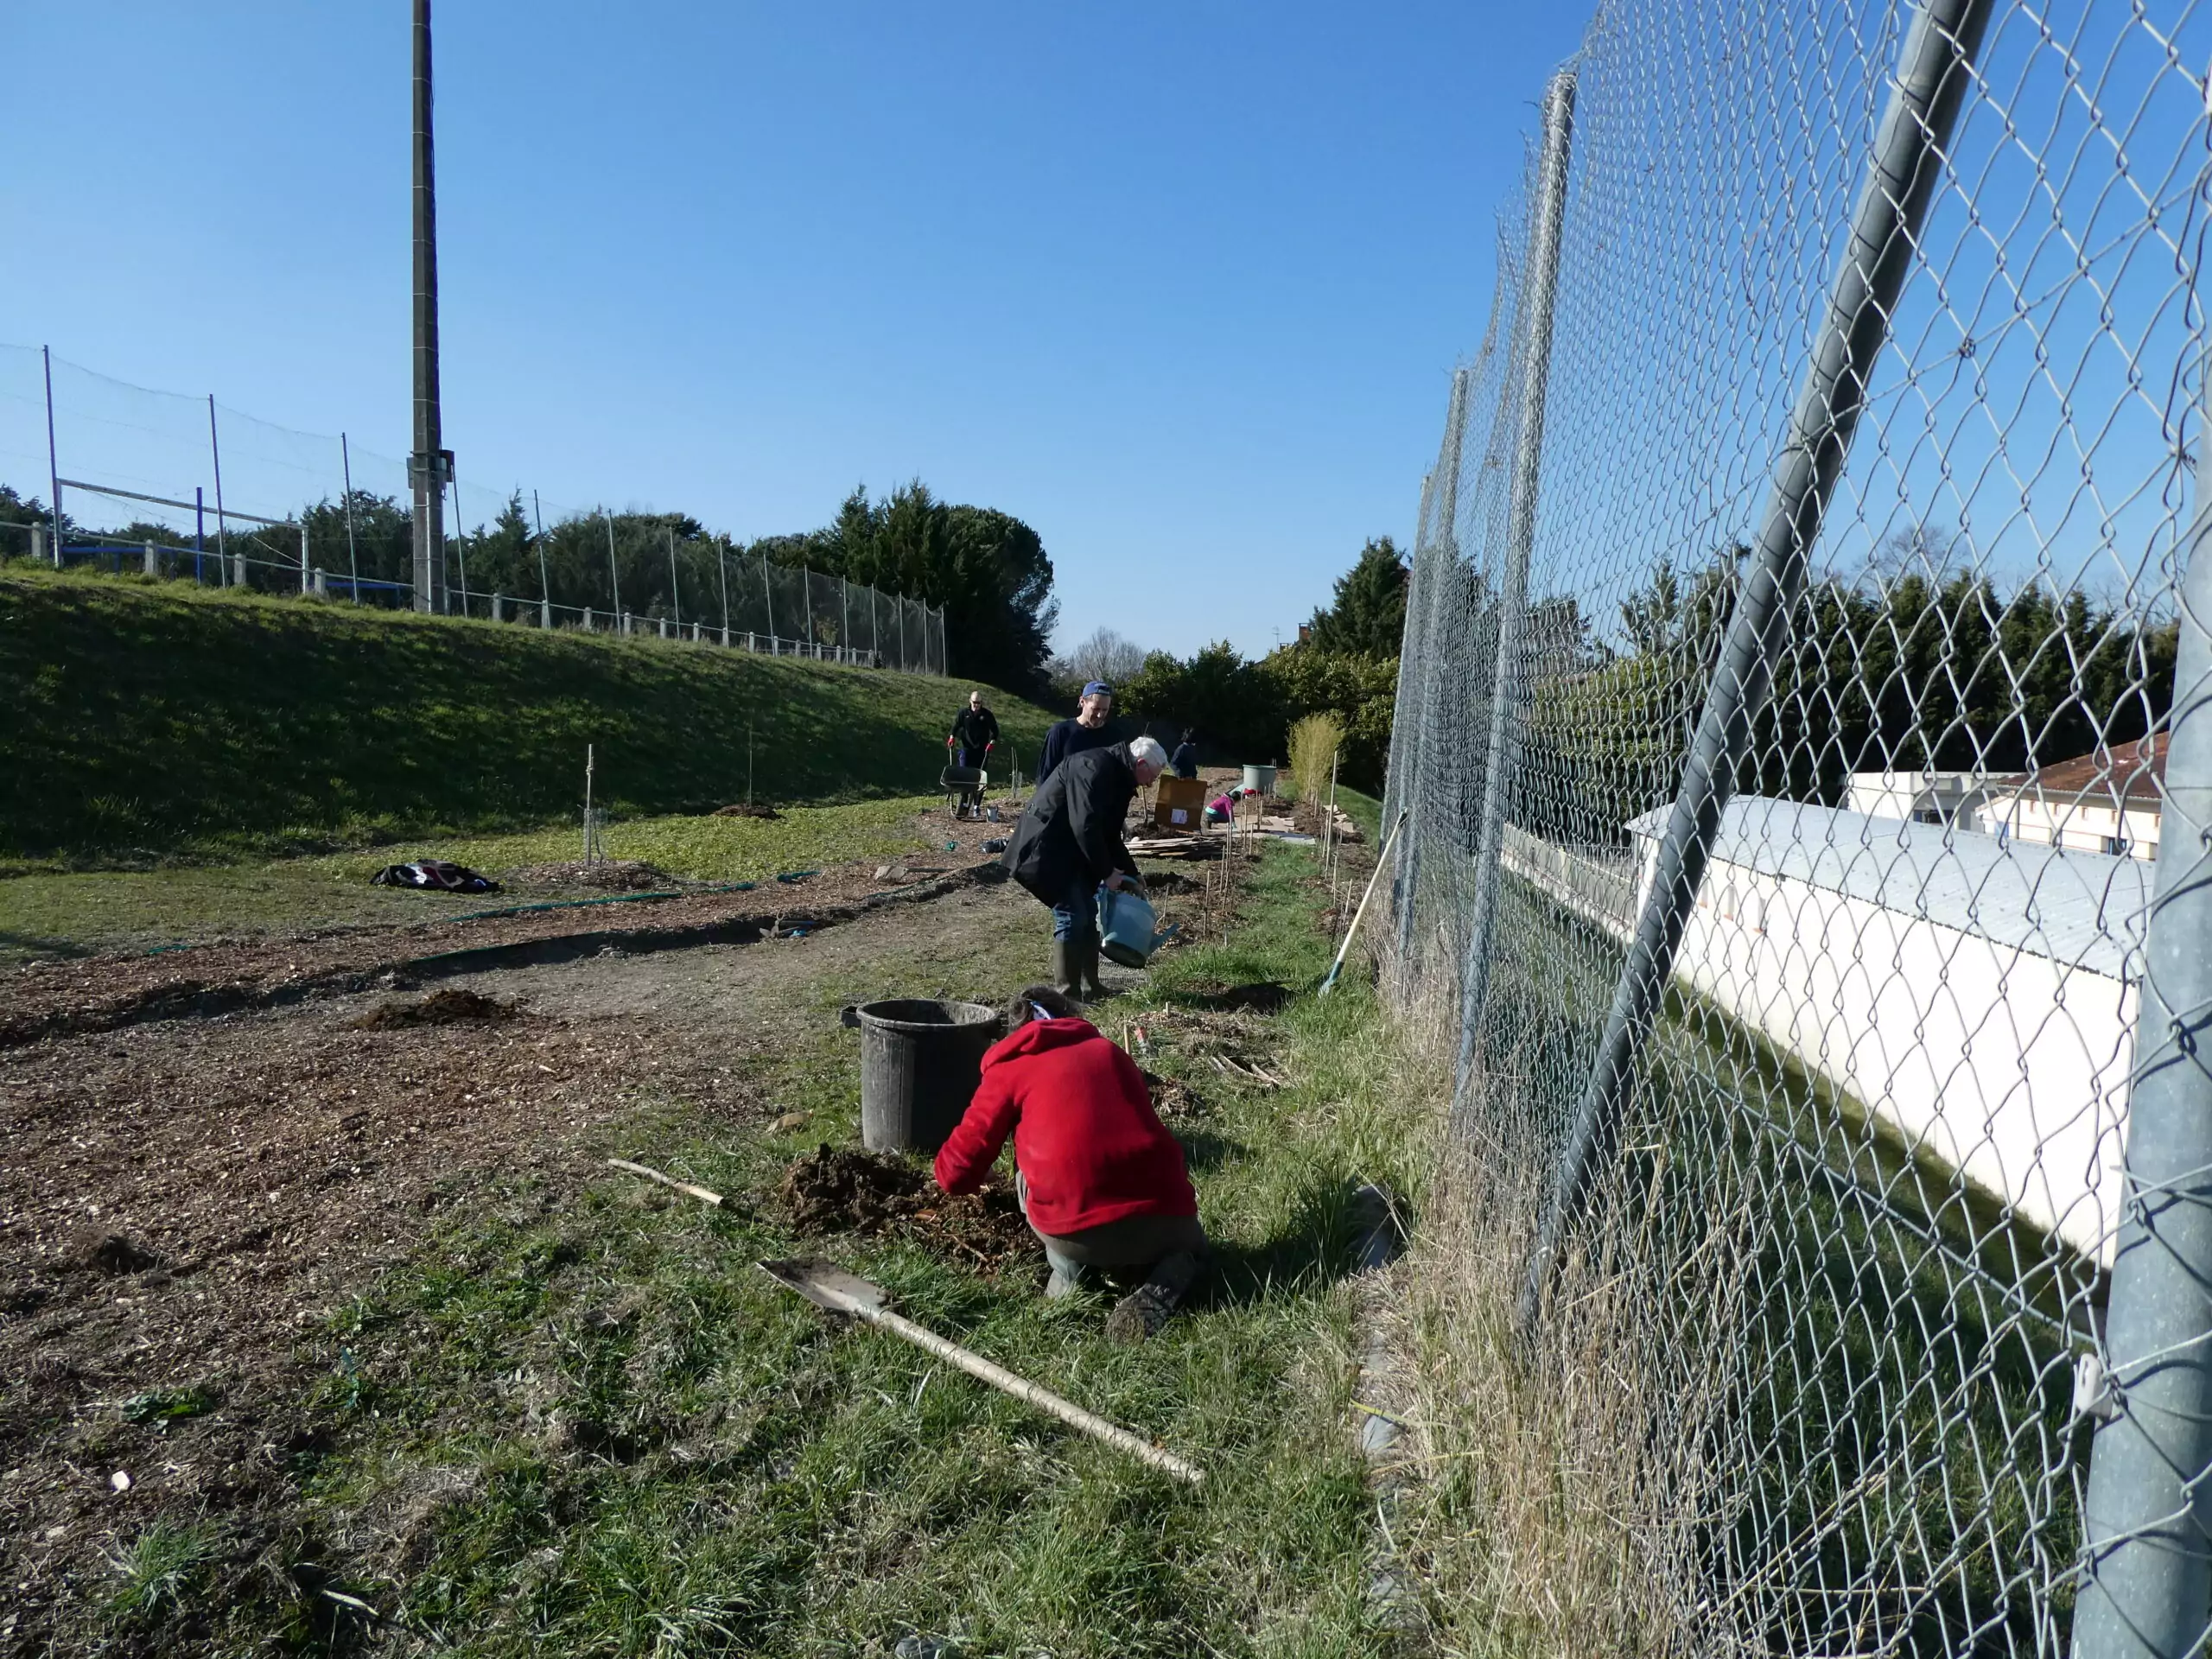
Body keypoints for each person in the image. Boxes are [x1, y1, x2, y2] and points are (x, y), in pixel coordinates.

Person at [935, 985, 1207, 1343]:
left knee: (1030, 1166)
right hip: (1171, 1216)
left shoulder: (1011, 1068)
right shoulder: (1110, 1052)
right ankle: (1170, 1269)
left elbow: (955, 1174)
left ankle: (1070, 1276)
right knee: (1193, 1249)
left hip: (1078, 1228)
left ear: (1016, 1032)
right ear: (1069, 1019)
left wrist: (958, 1168)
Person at [1003, 733, 1168, 999]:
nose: (1151, 784)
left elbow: (1110, 834)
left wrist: (1132, 873)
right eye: (1152, 777)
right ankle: (1067, 994)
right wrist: (1107, 872)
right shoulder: (1093, 768)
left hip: (1068, 851)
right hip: (1044, 848)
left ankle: (1092, 987)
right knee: (1072, 915)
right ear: (1140, 764)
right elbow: (1086, 826)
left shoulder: (1119, 777)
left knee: (1089, 914)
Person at [1038, 682, 1119, 785]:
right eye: (1096, 709)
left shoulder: (1115, 736)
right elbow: (1045, 777)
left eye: (1105, 710)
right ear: (1082, 702)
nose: (1100, 715)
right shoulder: (1060, 732)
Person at [947, 690, 999, 816]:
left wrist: (992, 742)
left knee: (980, 779)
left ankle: (976, 806)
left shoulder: (987, 715)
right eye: (974, 702)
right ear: (970, 701)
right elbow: (956, 726)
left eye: (979, 703)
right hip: (967, 749)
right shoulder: (964, 713)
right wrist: (952, 737)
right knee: (964, 775)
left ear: (981, 703)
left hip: (981, 751)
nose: (976, 705)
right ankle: (964, 802)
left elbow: (995, 731)